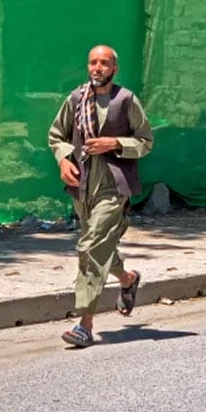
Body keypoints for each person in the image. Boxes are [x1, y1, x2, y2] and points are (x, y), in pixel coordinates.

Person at [48, 45, 153, 348]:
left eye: (104, 63)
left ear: (114, 69)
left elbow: (145, 141)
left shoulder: (126, 100)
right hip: (82, 185)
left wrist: (114, 143)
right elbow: (56, 135)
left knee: (91, 246)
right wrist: (64, 160)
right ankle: (128, 279)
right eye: (93, 62)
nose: (98, 68)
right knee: (98, 245)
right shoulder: (76, 99)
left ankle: (85, 323)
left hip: (113, 187)